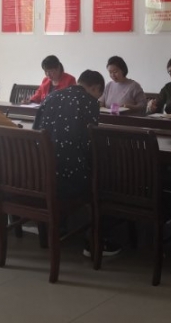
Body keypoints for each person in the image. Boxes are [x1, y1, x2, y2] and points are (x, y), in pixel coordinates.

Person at [32, 69, 120, 257]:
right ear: (95, 88)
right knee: (107, 181)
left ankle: (60, 228)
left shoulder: (51, 96)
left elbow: (36, 133)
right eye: (99, 94)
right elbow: (89, 145)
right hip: (68, 181)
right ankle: (95, 241)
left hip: (42, 176)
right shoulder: (89, 103)